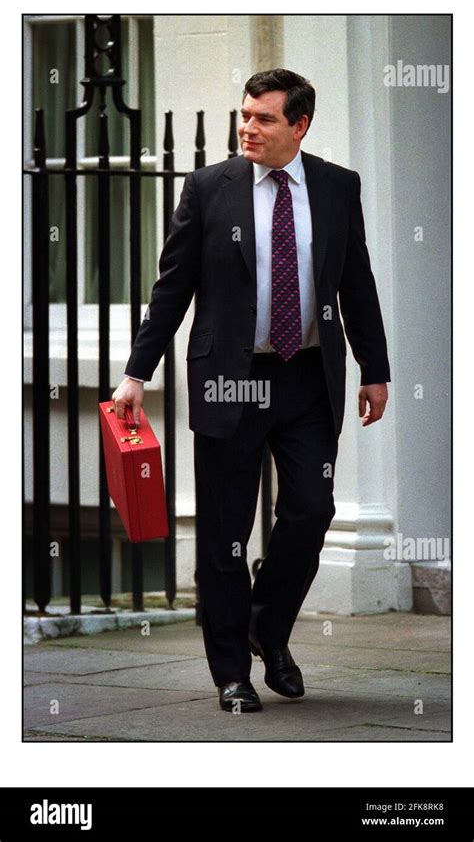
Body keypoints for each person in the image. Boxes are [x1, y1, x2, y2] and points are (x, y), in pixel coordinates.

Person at [112, 68, 390, 713]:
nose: (248, 127)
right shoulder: (210, 188)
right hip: (229, 380)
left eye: (264, 118)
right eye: (244, 115)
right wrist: (136, 372)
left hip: (307, 380)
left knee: (311, 510)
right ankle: (232, 672)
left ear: (300, 125)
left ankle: (269, 624)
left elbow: (357, 282)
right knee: (226, 533)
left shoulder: (336, 186)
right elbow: (172, 285)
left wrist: (375, 368)